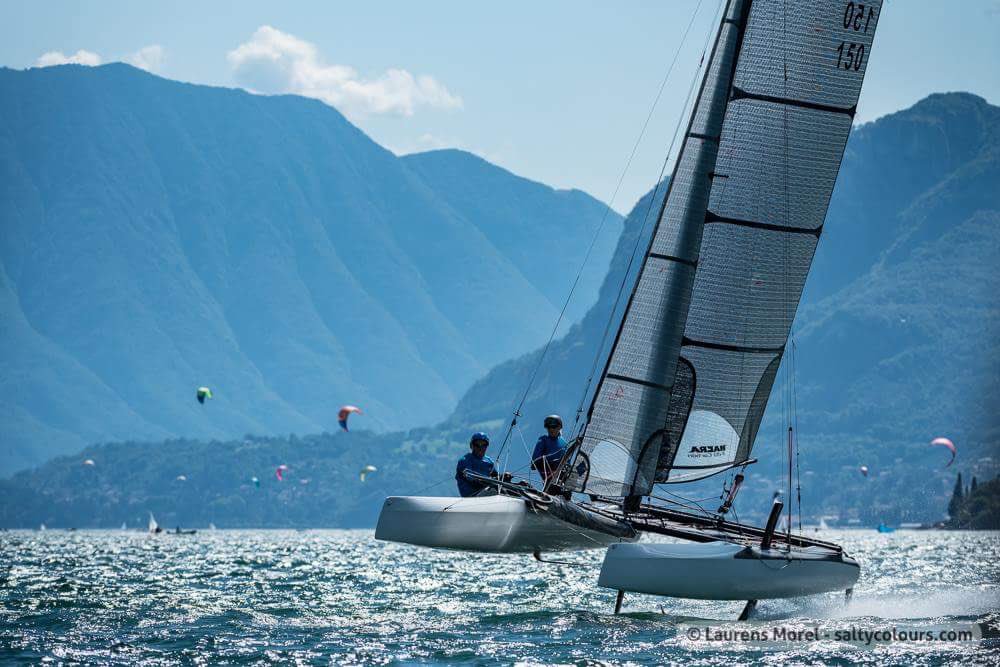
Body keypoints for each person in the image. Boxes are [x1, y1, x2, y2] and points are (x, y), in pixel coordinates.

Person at [456, 432, 498, 497]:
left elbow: (497, 478)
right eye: (477, 445)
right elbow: (472, 481)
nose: (480, 448)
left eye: (484, 445)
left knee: (504, 488)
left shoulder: (489, 462)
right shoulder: (464, 461)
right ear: (471, 446)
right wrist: (490, 482)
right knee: (494, 490)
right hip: (472, 496)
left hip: (487, 492)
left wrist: (504, 477)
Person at [532, 415, 568, 488]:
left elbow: (568, 462)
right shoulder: (543, 440)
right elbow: (535, 461)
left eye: (554, 426)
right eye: (548, 427)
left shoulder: (565, 444)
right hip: (547, 474)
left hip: (561, 477)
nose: (551, 429)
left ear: (559, 427)